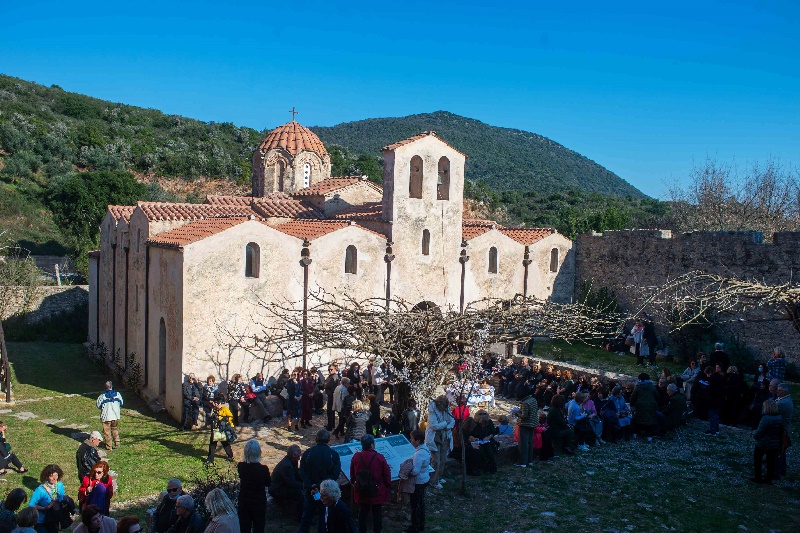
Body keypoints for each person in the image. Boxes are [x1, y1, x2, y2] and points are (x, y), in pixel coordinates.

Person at [297, 429, 342, 533]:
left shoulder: (308, 453)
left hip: (311, 489)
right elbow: (335, 473)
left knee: (307, 514)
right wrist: (322, 485)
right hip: (325, 490)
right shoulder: (333, 454)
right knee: (323, 516)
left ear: (316, 438)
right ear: (328, 439)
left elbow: (302, 471)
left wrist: (311, 485)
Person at [350, 435, 391, 533]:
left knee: (363, 510)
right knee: (377, 511)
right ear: (372, 445)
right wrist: (388, 485)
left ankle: (362, 530)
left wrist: (354, 483)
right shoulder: (379, 457)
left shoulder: (356, 456)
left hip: (361, 488)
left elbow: (352, 472)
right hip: (376, 489)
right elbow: (386, 472)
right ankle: (377, 530)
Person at [237, 440, 270, 533]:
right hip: (258, 502)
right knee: (259, 527)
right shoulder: (263, 469)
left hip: (244, 501)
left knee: (244, 527)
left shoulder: (241, 466)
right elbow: (268, 483)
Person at [425, 395, 454, 490]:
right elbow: (434, 426)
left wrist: (446, 426)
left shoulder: (447, 410)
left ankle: (439, 477)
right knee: (436, 461)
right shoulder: (432, 411)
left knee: (443, 459)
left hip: (445, 436)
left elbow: (452, 420)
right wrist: (445, 423)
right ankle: (433, 480)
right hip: (435, 438)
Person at [751, 400, 784, 484]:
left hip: (762, 443)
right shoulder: (780, 417)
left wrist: (754, 435)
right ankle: (768, 479)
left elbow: (760, 432)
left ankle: (758, 478)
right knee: (771, 462)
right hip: (774, 444)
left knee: (757, 460)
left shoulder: (766, 418)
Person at [29, 464, 67, 533]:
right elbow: (31, 505)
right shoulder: (40, 490)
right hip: (42, 521)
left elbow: (62, 498)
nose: (55, 478)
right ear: (46, 476)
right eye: (51, 476)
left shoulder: (60, 485)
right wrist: (44, 508)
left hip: (54, 519)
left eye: (56, 475)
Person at [269, 445, 303, 519]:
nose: (300, 455)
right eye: (299, 453)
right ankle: (299, 516)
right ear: (294, 455)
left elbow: (297, 474)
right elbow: (291, 483)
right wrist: (304, 485)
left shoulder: (293, 461)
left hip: (283, 485)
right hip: (277, 489)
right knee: (299, 493)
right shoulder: (286, 466)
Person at [406, 429, 430, 533]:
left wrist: (407, 470)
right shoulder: (425, 449)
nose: (410, 441)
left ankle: (415, 526)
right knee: (420, 504)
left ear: (417, 440)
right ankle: (420, 524)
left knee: (415, 505)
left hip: (418, 481)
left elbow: (415, 471)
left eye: (412, 439)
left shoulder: (419, 454)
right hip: (424, 479)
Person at [205, 396, 235, 465]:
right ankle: (210, 459)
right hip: (215, 428)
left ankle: (230, 456)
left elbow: (230, 416)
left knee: (224, 443)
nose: (215, 405)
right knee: (212, 444)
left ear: (219, 403)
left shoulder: (225, 409)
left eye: (216, 403)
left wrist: (223, 419)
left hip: (221, 429)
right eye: (214, 403)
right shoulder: (214, 409)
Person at [631, 373, 658, 441]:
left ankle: (638, 434)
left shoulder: (638, 387)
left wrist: (632, 406)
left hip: (640, 407)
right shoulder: (652, 387)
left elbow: (633, 398)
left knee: (639, 420)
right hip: (651, 406)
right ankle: (649, 435)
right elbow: (657, 396)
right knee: (649, 421)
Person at [96, 381, 122, 450]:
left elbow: (98, 405)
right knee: (114, 429)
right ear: (111, 386)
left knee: (107, 432)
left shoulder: (102, 396)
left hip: (106, 416)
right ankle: (117, 442)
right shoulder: (118, 394)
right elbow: (121, 403)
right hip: (115, 416)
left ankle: (109, 446)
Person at [775, 383, 794, 478]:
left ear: (785, 392)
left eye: (779, 390)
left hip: (781, 429)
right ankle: (782, 469)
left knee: (778, 451)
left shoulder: (782, 403)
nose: (777, 391)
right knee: (781, 451)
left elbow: (769, 410)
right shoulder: (786, 400)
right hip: (784, 428)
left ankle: (776, 472)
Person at [323, 366, 340, 431]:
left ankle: (330, 426)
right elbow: (324, 383)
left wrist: (325, 384)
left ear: (335, 369)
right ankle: (331, 424)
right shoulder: (330, 376)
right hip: (330, 395)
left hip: (332, 395)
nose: (330, 371)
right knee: (330, 411)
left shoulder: (334, 377)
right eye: (329, 370)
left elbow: (326, 384)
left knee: (330, 411)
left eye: (331, 369)